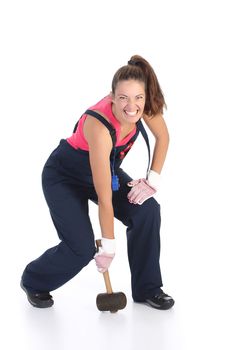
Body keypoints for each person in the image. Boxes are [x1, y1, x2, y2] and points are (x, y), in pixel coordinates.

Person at [20, 55, 175, 310]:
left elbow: (163, 136)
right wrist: (108, 248)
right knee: (81, 248)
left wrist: (152, 181)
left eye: (138, 98)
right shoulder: (99, 127)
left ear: (144, 97)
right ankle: (33, 280)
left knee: (148, 210)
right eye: (123, 98)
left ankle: (148, 288)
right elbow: (105, 198)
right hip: (64, 177)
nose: (132, 106)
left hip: (105, 170)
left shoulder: (140, 104)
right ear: (112, 96)